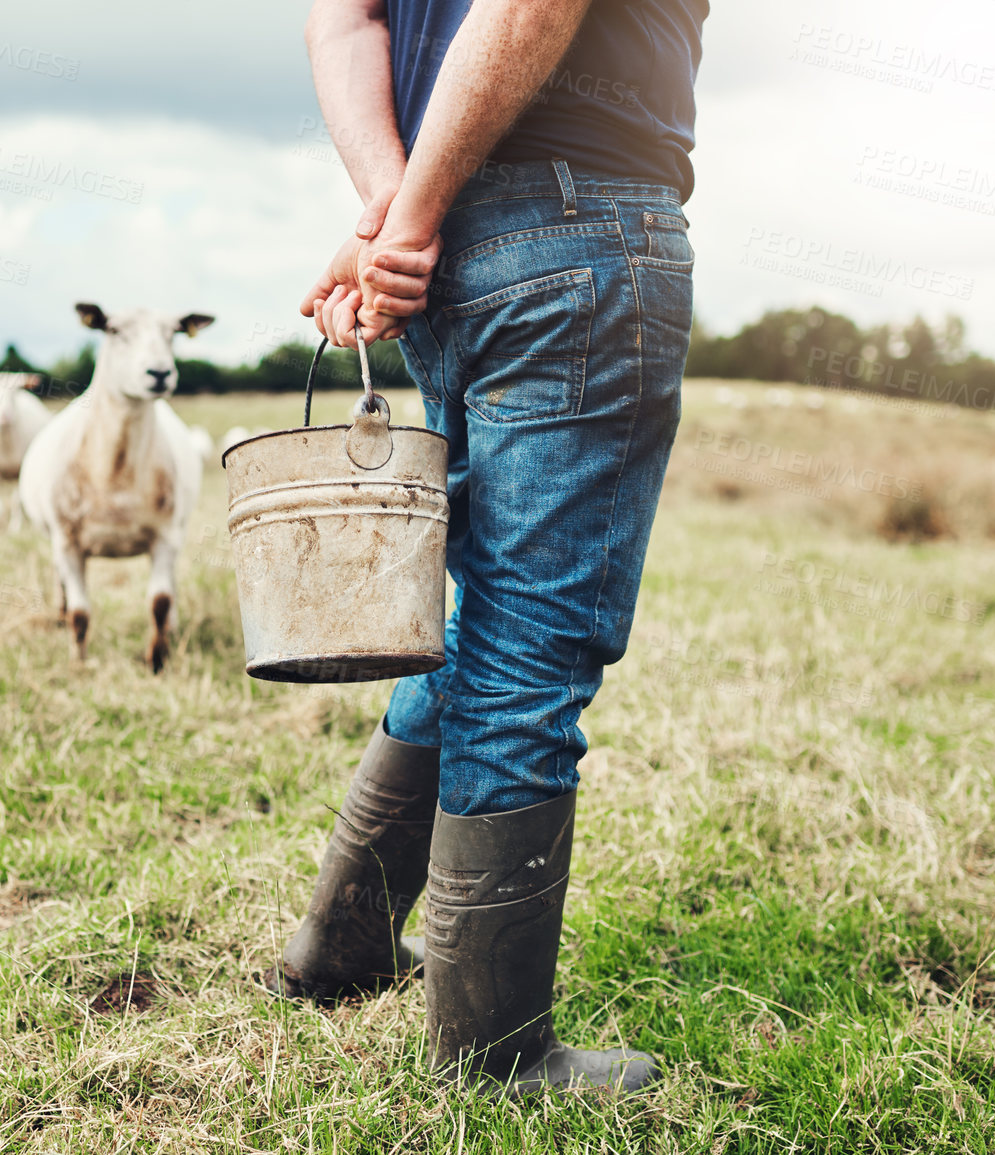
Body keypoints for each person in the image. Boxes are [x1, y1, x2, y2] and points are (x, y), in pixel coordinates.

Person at [277, 0, 709, 1095]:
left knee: (475, 615)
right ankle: (494, 1051)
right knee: (533, 637)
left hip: (453, 238)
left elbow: (347, 21)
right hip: (576, 221)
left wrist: (394, 212)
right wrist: (406, 217)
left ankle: (343, 944)